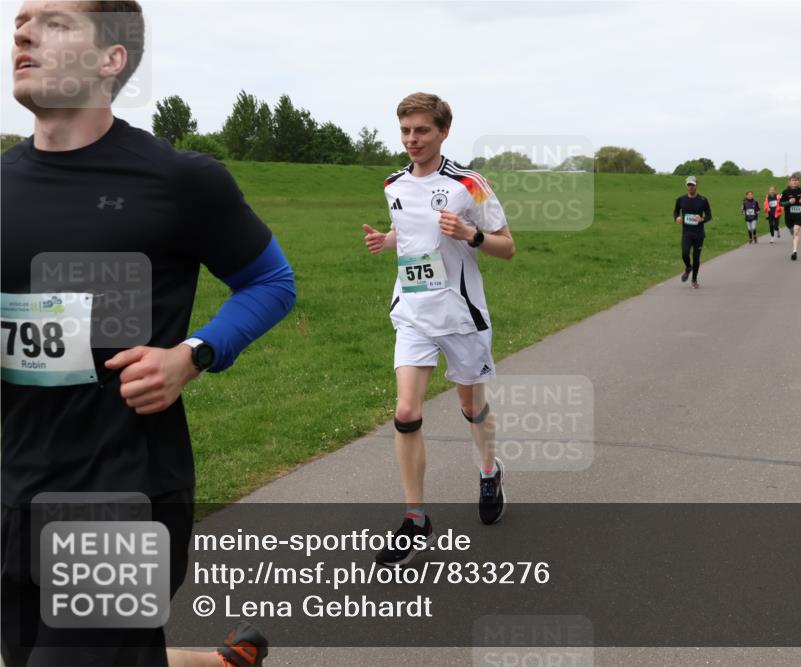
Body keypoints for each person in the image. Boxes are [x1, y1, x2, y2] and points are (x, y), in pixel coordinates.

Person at [2, 3, 294, 665]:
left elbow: (273, 283)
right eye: (21, 19)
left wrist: (192, 353)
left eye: (53, 21)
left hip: (123, 495)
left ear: (113, 59)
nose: (21, 32)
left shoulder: (177, 180)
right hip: (16, 495)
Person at [363, 93, 515, 567]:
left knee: (470, 406)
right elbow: (411, 233)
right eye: (406, 130)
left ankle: (489, 470)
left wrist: (471, 235)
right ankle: (415, 518)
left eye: (422, 130)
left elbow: (507, 247)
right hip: (412, 311)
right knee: (406, 412)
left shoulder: (470, 184)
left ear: (443, 131)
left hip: (461, 315)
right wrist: (385, 241)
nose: (412, 139)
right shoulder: (393, 184)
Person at [673, 176, 712, 288]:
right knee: (684, 253)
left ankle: (694, 280)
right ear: (686, 186)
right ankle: (688, 267)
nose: (690, 187)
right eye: (689, 185)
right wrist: (677, 218)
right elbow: (675, 212)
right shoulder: (681, 199)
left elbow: (709, 216)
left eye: (692, 185)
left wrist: (702, 219)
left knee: (696, 257)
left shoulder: (703, 200)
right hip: (687, 232)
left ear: (696, 185)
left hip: (699, 233)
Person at [780, 175, 801, 260]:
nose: (794, 182)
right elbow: (781, 204)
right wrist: (788, 202)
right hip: (789, 216)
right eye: (793, 180)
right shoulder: (785, 192)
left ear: (798, 182)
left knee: (796, 232)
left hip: (799, 215)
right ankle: (791, 230)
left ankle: (794, 252)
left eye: (796, 180)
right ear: (789, 182)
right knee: (792, 230)